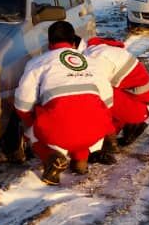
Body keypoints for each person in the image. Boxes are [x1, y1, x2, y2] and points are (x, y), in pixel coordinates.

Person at [15, 21, 115, 185]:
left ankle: (52, 158)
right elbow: (108, 100)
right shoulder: (92, 62)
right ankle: (80, 161)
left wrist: (32, 123)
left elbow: (22, 103)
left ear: (49, 43)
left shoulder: (38, 63)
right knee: (83, 117)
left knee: (33, 127)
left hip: (59, 132)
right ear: (74, 42)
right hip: (95, 132)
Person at [82, 36, 149, 163]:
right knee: (104, 91)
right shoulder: (108, 51)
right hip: (143, 102)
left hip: (139, 107)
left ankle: (101, 141)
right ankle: (122, 126)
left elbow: (98, 93)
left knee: (95, 96)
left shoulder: (98, 58)